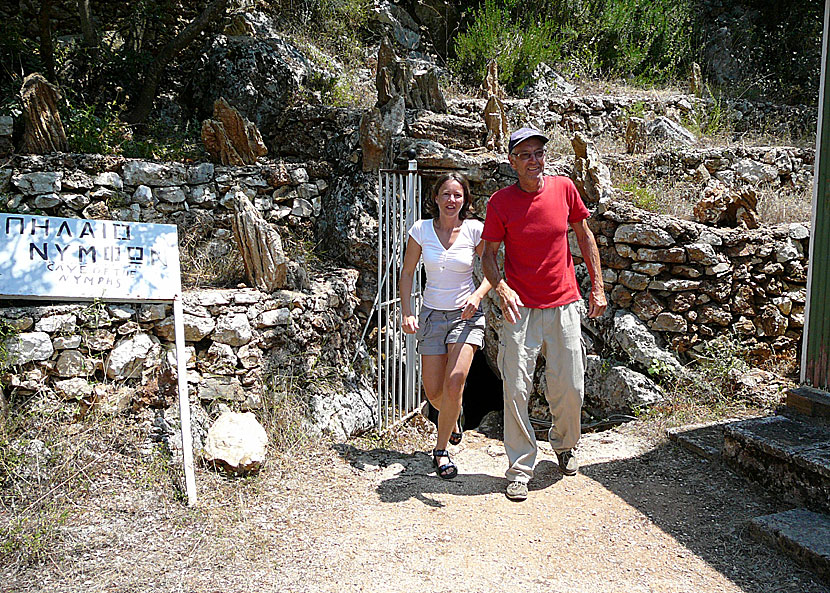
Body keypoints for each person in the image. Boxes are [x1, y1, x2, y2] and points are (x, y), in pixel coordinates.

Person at [481, 127, 607, 501]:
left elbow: (585, 237)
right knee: (516, 387)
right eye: (526, 155)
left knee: (570, 385)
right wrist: (501, 289)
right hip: (520, 308)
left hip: (565, 302)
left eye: (539, 153)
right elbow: (487, 256)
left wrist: (597, 286)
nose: (535, 160)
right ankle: (520, 468)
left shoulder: (565, 189)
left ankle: (565, 445)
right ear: (512, 162)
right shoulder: (500, 203)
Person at [400, 172, 492, 480]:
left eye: (458, 195)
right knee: (434, 392)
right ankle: (454, 420)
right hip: (430, 315)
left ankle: (440, 451)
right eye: (446, 194)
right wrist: (407, 312)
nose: (452, 200)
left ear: (465, 200)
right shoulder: (420, 230)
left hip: (465, 315)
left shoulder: (475, 231)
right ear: (435, 198)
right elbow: (407, 273)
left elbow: (493, 270)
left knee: (455, 382)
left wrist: (478, 296)